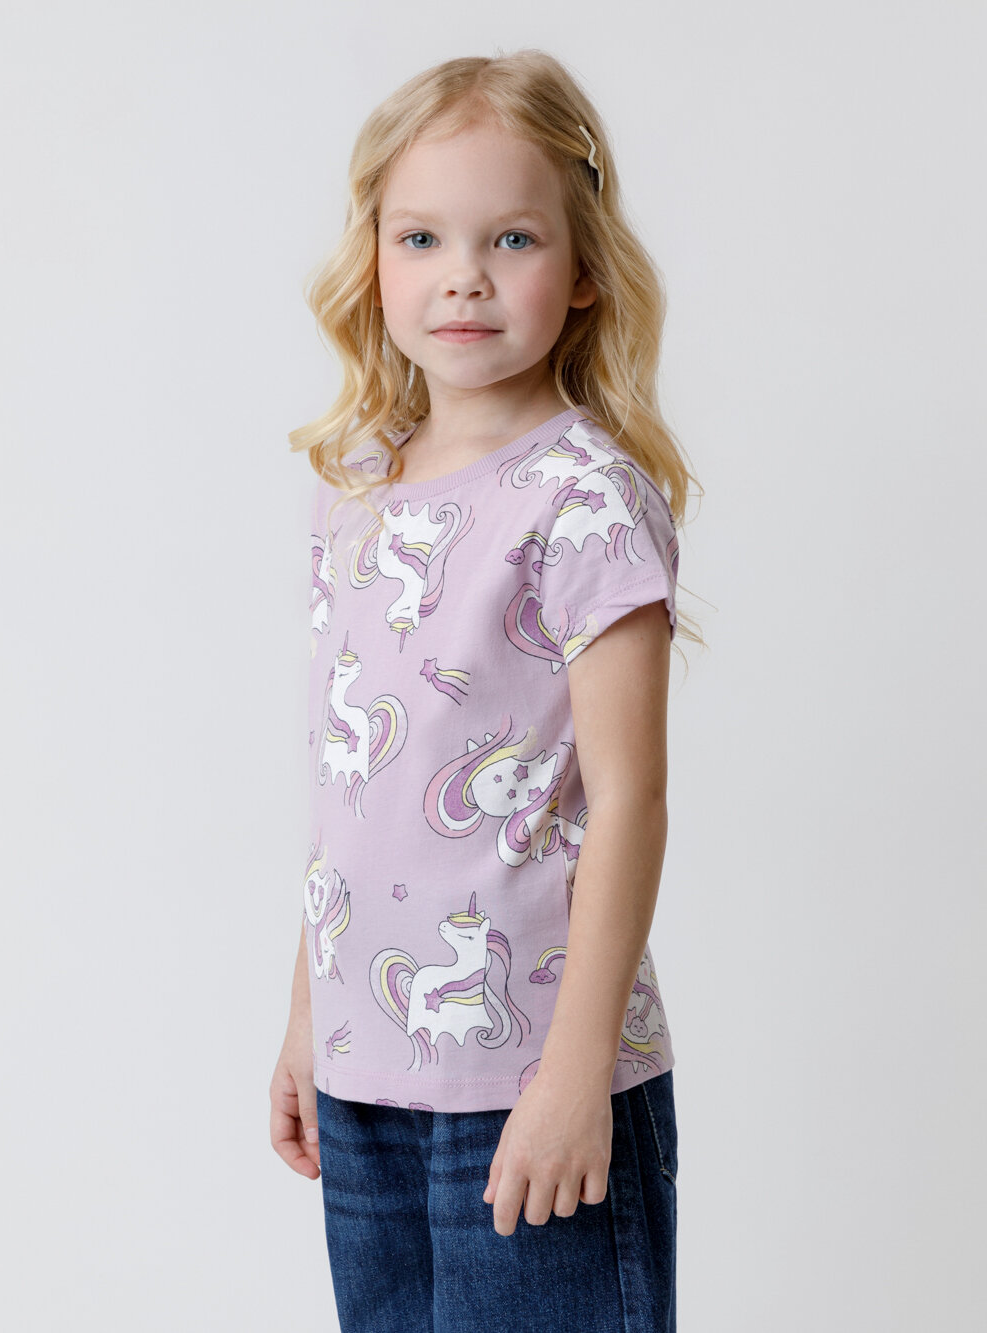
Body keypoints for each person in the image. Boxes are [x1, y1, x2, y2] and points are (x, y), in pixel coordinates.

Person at [270, 47, 704, 1333]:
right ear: (375, 263)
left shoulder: (584, 501)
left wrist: (574, 1078)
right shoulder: (357, 491)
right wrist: (307, 1019)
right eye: (422, 238)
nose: (463, 274)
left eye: (512, 238)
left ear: (582, 272)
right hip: (366, 1083)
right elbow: (353, 796)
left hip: (531, 1081)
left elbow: (629, 801)